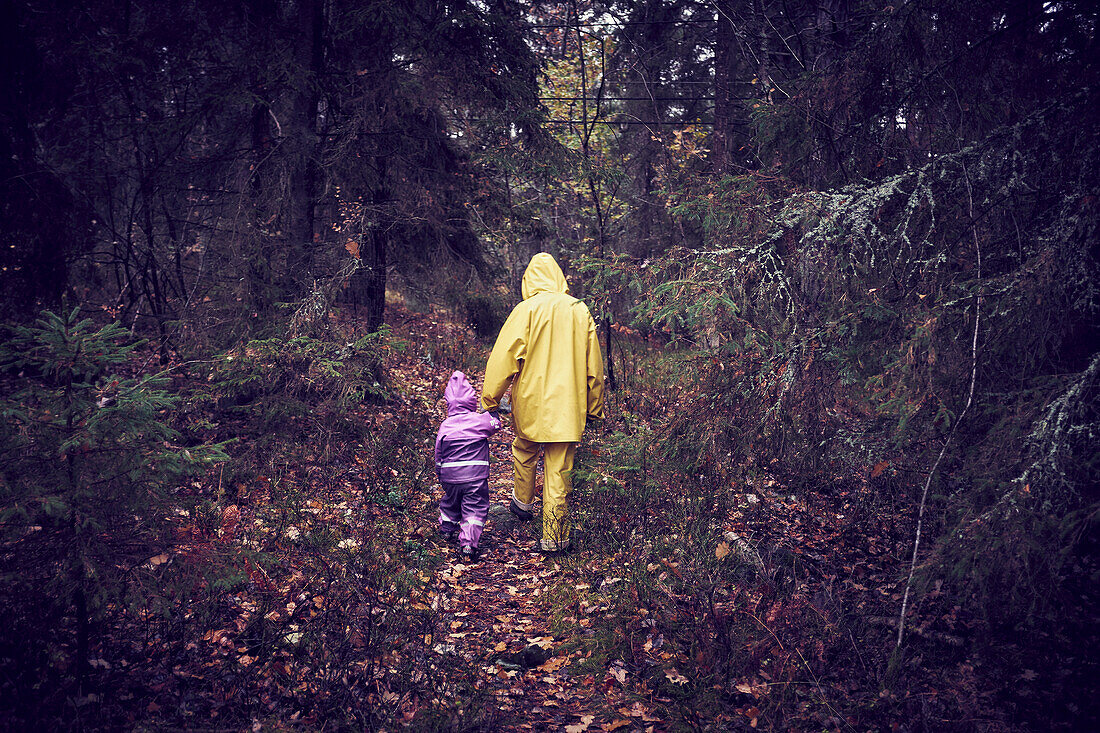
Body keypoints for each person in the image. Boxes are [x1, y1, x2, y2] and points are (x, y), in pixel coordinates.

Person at [482, 252, 605, 553]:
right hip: (568, 408)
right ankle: (554, 537)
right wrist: (595, 406)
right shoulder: (579, 310)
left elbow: (503, 359)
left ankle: (522, 504)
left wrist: (490, 400)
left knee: (524, 449)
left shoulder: (526, 310)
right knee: (559, 470)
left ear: (529, 279)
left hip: (531, 403)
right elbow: (595, 367)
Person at [436, 370, 502, 562]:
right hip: (474, 477)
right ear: (472, 402)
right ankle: (468, 544)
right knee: (474, 507)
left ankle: (446, 529)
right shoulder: (478, 420)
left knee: (451, 501)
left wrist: (440, 473)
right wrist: (493, 411)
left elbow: (438, 452)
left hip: (450, 476)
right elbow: (496, 425)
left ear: (449, 403)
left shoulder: (445, 425)